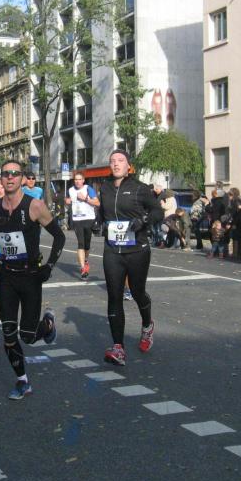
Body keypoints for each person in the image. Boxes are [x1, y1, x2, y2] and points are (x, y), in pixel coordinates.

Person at [0, 160, 65, 399]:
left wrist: (49, 265)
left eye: (15, 173)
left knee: (27, 336)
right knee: (9, 335)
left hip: (30, 276)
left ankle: (47, 325)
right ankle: (22, 381)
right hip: (6, 276)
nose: (10, 177)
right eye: (6, 174)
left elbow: (59, 237)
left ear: (21, 178)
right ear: (0, 178)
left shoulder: (35, 206)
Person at [97, 150, 163, 366]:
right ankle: (118, 347)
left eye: (120, 161)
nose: (116, 164)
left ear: (128, 166)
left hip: (137, 250)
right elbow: (102, 213)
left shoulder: (140, 188)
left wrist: (143, 221)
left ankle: (147, 325)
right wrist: (98, 223)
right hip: (112, 250)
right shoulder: (105, 188)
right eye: (112, 161)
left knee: (137, 292)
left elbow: (158, 212)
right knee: (114, 296)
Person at [65, 172, 100, 279]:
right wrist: (67, 201)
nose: (77, 181)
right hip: (77, 219)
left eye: (79, 179)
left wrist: (85, 199)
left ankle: (85, 260)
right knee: (81, 243)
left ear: (83, 180)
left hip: (89, 219)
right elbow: (67, 199)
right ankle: (83, 268)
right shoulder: (70, 190)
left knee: (87, 245)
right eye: (76, 179)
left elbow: (97, 203)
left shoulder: (88, 188)